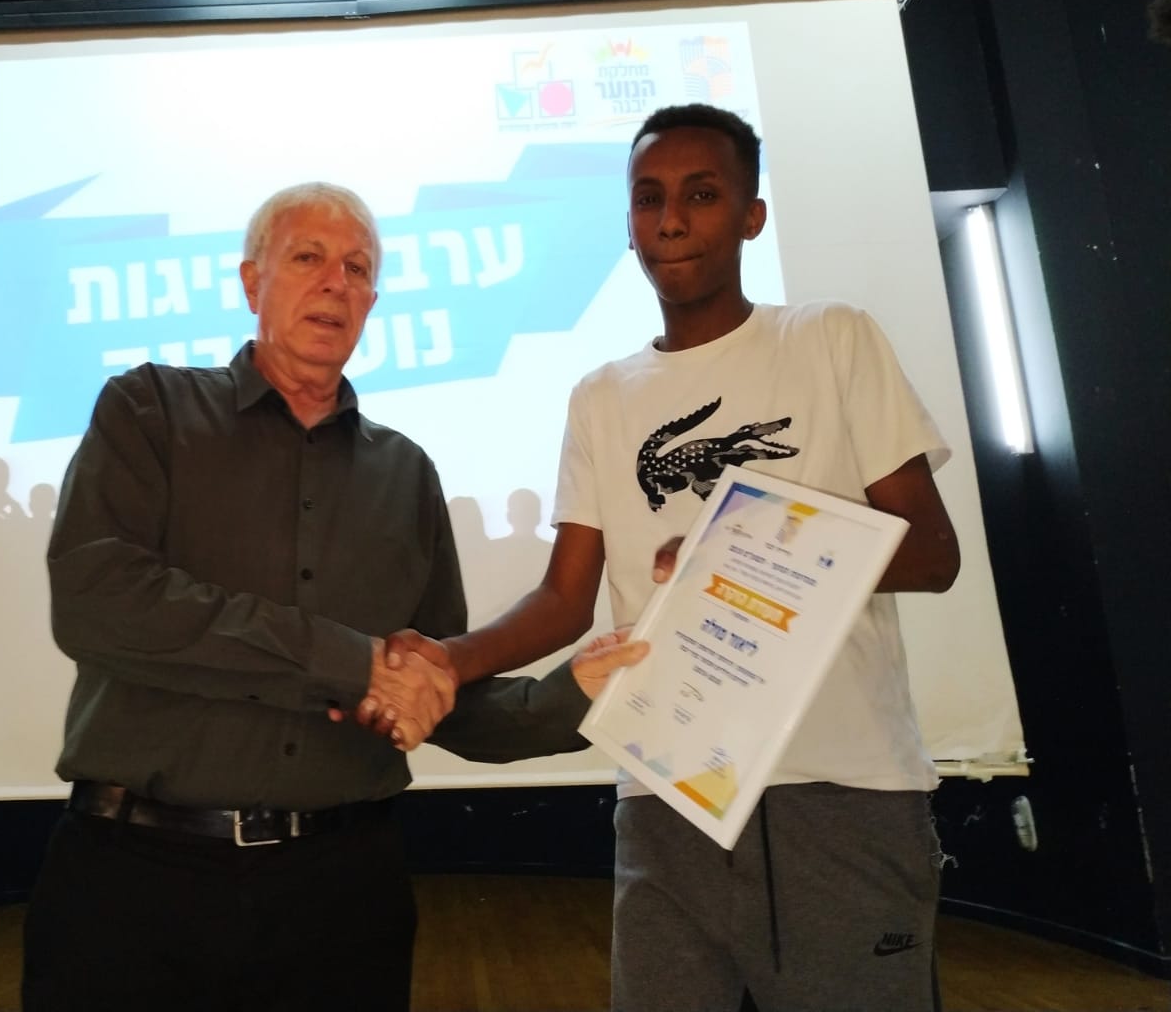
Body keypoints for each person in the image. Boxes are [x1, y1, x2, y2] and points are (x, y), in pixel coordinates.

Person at [385, 105, 961, 1011]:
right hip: (666, 789)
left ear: (752, 215)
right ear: (628, 226)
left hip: (843, 788)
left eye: (701, 195)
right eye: (649, 199)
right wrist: (446, 660)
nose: (672, 220)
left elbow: (931, 552)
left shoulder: (831, 337)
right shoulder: (601, 396)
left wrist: (740, 544)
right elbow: (564, 602)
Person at [21, 180, 647, 1012]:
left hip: (342, 898)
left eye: (357, 269)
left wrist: (574, 696)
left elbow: (439, 694)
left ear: (372, 303)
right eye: (308, 258)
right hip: (134, 888)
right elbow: (98, 600)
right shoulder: (149, 409)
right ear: (252, 282)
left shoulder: (407, 475)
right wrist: (354, 665)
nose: (335, 282)